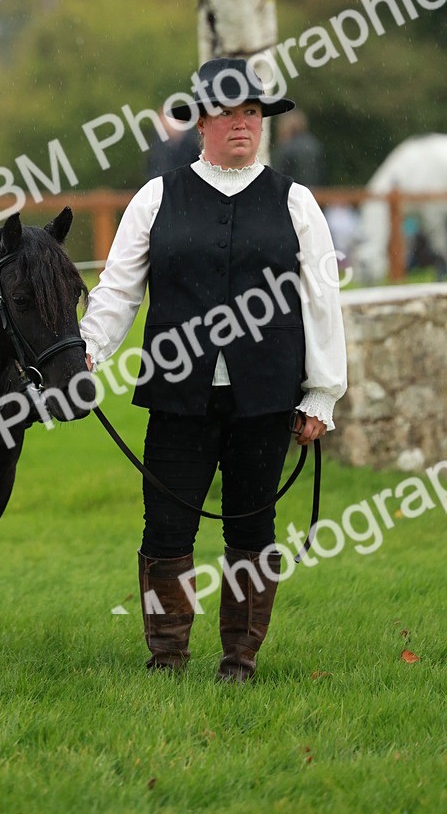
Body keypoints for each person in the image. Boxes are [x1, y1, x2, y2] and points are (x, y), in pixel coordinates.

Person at [79, 58, 347, 682]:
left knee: (252, 526)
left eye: (252, 113)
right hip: (178, 392)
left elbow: (321, 301)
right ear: (200, 121)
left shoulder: (296, 200)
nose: (242, 126)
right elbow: (119, 289)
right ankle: (167, 654)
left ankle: (240, 659)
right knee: (165, 528)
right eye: (227, 113)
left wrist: (321, 396)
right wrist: (89, 351)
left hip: (266, 394)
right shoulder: (157, 196)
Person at [271, 108, 325, 188]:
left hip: (291, 194)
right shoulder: (315, 145)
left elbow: (276, 177)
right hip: (316, 193)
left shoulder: (286, 148)